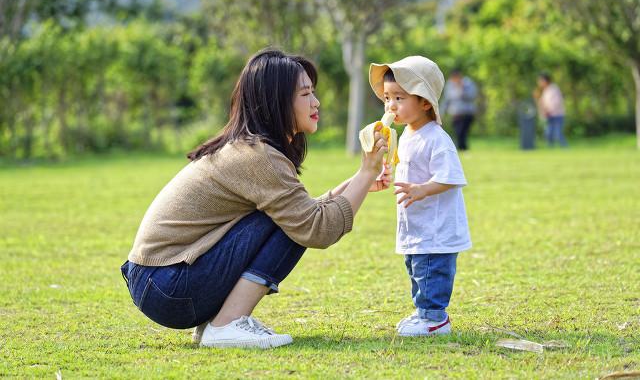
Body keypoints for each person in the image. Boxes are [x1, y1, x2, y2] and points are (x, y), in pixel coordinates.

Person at [120, 49, 391, 349]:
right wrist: (366, 172)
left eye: (313, 92)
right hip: (167, 285)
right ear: (276, 101)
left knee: (290, 219)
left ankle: (217, 324)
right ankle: (226, 325)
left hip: (159, 282)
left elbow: (304, 213)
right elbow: (316, 228)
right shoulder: (259, 157)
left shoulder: (249, 148)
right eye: (305, 94)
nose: (316, 102)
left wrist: (360, 182)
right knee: (291, 224)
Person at [369, 56, 472, 336]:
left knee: (432, 271)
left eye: (399, 98)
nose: (391, 106)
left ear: (425, 101)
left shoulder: (436, 138)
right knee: (416, 270)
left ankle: (435, 318)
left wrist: (421, 189)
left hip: (436, 228)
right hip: (415, 224)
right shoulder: (406, 136)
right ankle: (422, 312)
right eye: (387, 98)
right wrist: (386, 174)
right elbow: (404, 166)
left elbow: (450, 177)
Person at [441, 68, 478, 150]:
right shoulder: (450, 85)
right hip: (456, 113)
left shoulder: (468, 83)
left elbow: (472, 96)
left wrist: (461, 88)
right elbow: (447, 99)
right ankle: (461, 148)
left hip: (467, 113)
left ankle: (462, 148)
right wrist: (441, 112)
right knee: (458, 132)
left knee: (463, 132)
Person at [534, 72, 567, 147]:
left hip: (557, 115)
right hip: (549, 116)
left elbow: (556, 102)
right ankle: (550, 149)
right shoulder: (545, 90)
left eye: (540, 81)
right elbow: (542, 104)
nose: (539, 83)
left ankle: (565, 148)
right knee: (548, 134)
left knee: (557, 133)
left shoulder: (554, 89)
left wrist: (548, 110)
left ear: (545, 81)